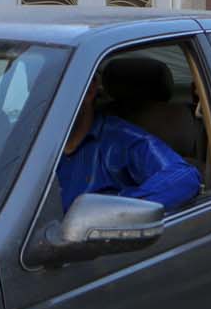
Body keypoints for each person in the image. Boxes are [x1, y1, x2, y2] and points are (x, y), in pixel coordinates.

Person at [56, 78, 201, 214]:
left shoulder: (120, 140)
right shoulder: (38, 146)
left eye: (55, 90)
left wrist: (118, 212)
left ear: (89, 90)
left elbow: (184, 177)